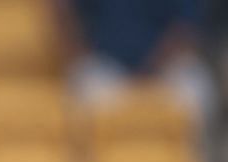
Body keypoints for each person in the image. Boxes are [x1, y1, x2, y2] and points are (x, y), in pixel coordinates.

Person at [61, 0, 213, 124]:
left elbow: (186, 28)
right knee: (84, 80)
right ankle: (90, 160)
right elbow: (70, 16)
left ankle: (192, 160)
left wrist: (149, 69)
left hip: (164, 70)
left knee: (196, 85)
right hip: (108, 67)